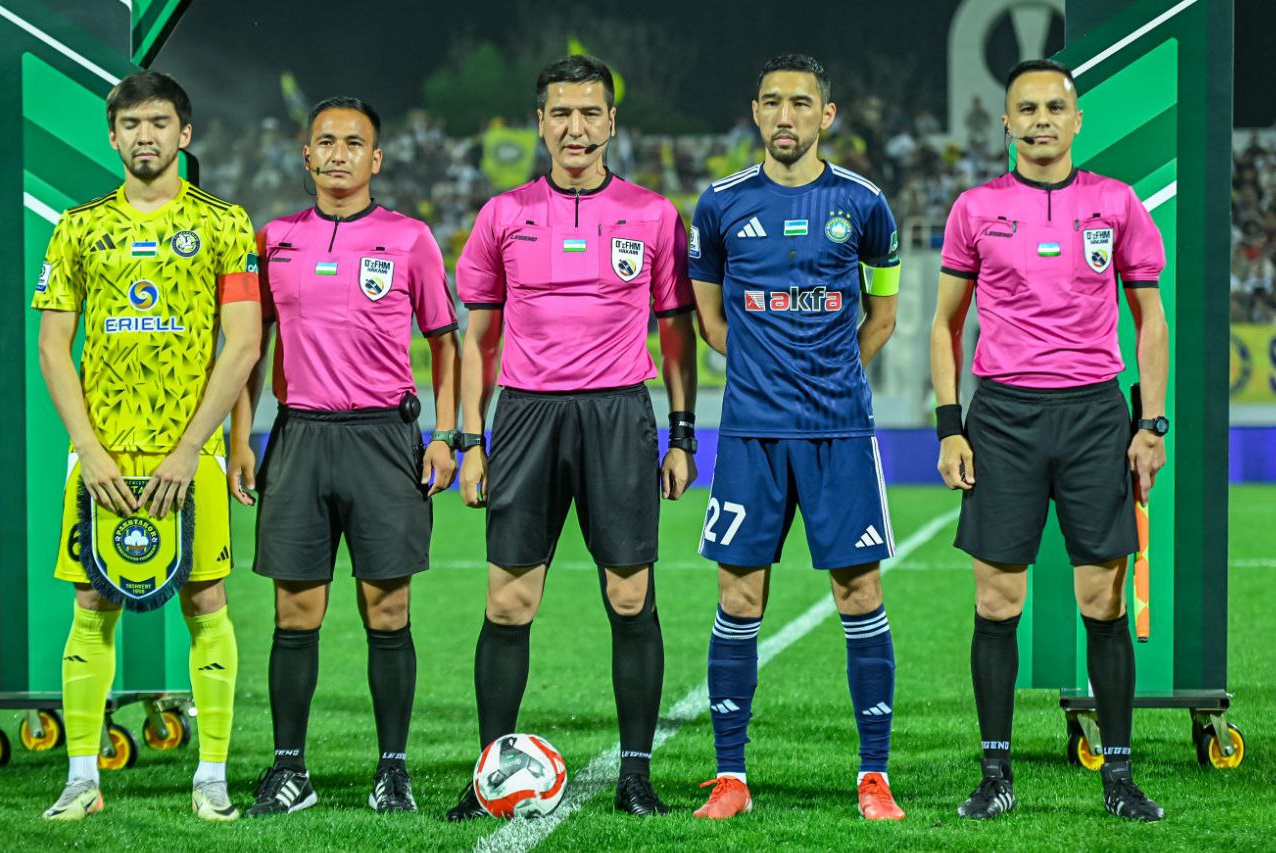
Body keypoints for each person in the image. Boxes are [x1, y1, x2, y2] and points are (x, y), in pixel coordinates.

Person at [446, 54, 698, 820]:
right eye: (561, 112)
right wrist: (469, 440)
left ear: (612, 122)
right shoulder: (503, 214)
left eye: (590, 113)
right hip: (527, 415)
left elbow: (676, 335)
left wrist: (683, 435)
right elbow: (477, 340)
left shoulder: (654, 215)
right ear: (540, 122)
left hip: (618, 415)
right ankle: (491, 775)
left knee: (631, 595)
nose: (575, 128)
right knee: (508, 601)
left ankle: (636, 776)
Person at [930, 59, 1169, 822]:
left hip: (1094, 415)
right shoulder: (975, 208)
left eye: (1054, 108)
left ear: (1076, 120)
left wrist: (1151, 424)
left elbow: (1151, 320)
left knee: (1102, 596)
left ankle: (1119, 777)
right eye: (1026, 109)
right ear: (1006, 123)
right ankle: (995, 774)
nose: (1040, 120)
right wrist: (950, 425)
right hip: (1003, 417)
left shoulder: (1116, 203)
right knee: (997, 598)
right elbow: (945, 324)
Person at [34, 70, 262, 821]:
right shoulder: (77, 227)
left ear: (183, 134)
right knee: (90, 601)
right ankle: (81, 779)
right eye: (130, 124)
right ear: (112, 136)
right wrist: (88, 448)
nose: (145, 136)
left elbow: (243, 344)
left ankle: (212, 778)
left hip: (188, 455)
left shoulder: (226, 224)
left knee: (207, 599)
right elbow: (53, 344)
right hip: (102, 453)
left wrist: (192, 446)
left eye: (159, 123)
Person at [227, 96, 460, 816]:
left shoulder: (410, 238)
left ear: (375, 159)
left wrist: (446, 435)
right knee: (295, 611)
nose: (337, 153)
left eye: (353, 143)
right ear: (306, 155)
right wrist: (241, 437)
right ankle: (289, 770)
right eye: (325, 141)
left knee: (387, 609)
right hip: (298, 436)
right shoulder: (273, 239)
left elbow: (446, 343)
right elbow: (248, 349)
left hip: (383, 440)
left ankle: (393, 771)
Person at [690, 54, 905, 822]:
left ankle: (874, 776)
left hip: (838, 430)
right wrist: (763, 371)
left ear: (827, 115)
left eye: (802, 103)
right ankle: (730, 776)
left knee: (860, 592)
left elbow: (881, 315)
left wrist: (831, 376)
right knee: (738, 595)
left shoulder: (865, 204)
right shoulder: (719, 205)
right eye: (774, 102)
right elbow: (710, 319)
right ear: (756, 112)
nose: (787, 116)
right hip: (751, 432)